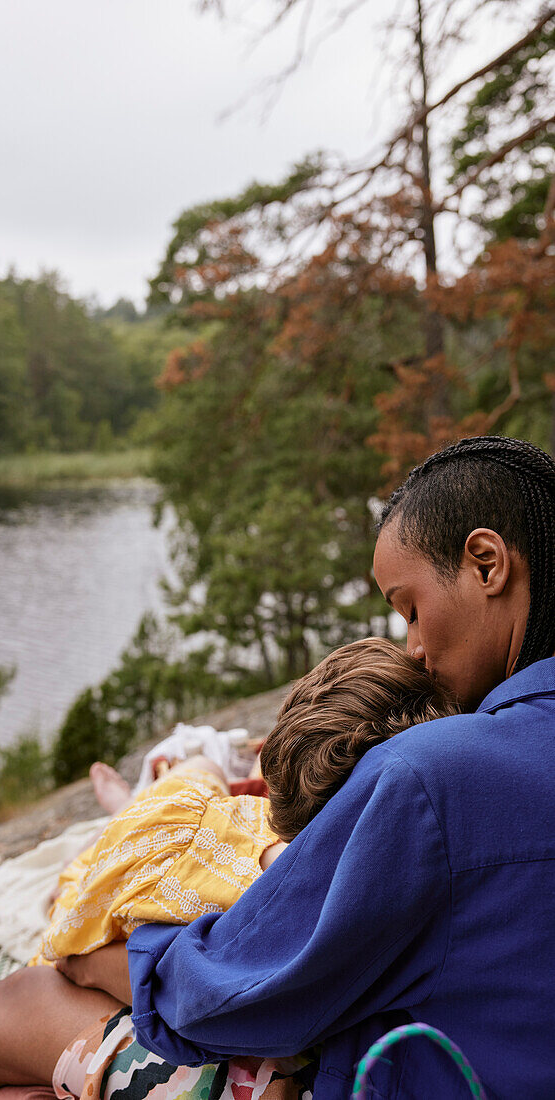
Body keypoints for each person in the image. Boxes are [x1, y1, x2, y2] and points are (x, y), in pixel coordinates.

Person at [59, 435, 555, 1100]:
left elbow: (237, 997)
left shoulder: (431, 779)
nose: (411, 649)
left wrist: (101, 961)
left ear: (486, 564)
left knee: (24, 1004)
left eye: (411, 609)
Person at [0, 639, 452, 1100]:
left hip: (296, 1077)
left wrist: (87, 960)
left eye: (412, 609)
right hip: (336, 1061)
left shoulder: (309, 884)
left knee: (22, 1003)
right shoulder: (446, 814)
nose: (418, 640)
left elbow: (211, 998)